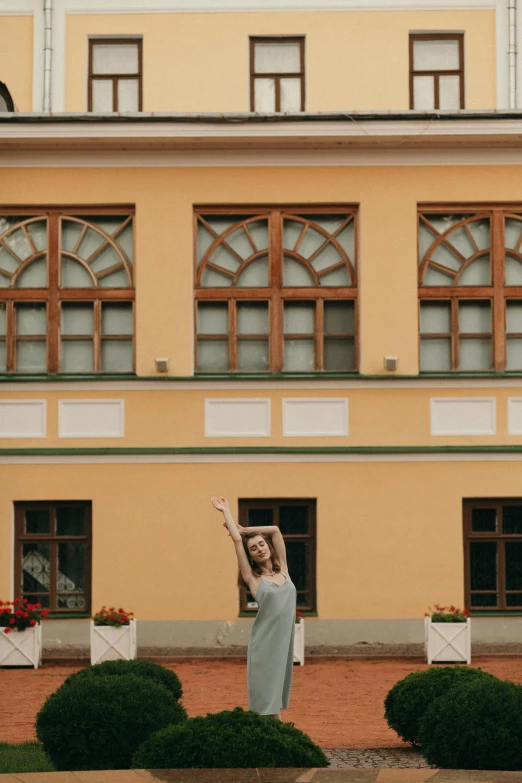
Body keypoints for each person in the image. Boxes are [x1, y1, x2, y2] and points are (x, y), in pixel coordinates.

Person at [211, 496, 297, 721]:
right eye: (253, 548)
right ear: (250, 556)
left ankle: (273, 737)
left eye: (261, 544)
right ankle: (267, 738)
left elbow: (276, 530)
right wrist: (226, 511)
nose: (259, 549)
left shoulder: (284, 569)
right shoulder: (253, 579)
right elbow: (238, 542)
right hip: (264, 644)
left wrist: (246, 529)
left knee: (275, 696)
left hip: (283, 644)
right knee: (263, 699)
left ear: (268, 546)